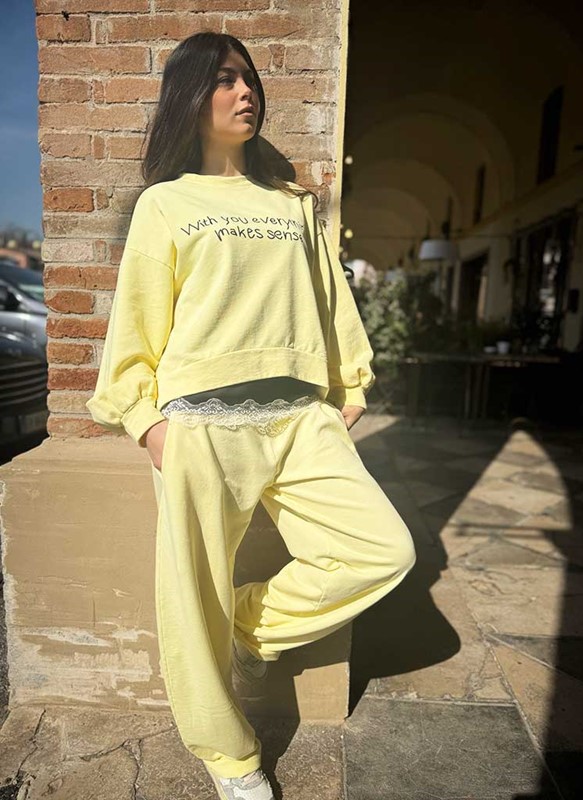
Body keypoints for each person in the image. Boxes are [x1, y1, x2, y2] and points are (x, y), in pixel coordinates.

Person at [86, 31, 417, 800]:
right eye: (225, 80)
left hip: (300, 419)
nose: (245, 92)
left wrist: (349, 382)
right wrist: (148, 422)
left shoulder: (292, 203)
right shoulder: (166, 204)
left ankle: (250, 625)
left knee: (383, 549)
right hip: (200, 426)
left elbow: (329, 301)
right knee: (190, 598)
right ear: (189, 96)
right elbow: (136, 321)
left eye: (249, 79)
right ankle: (230, 755)